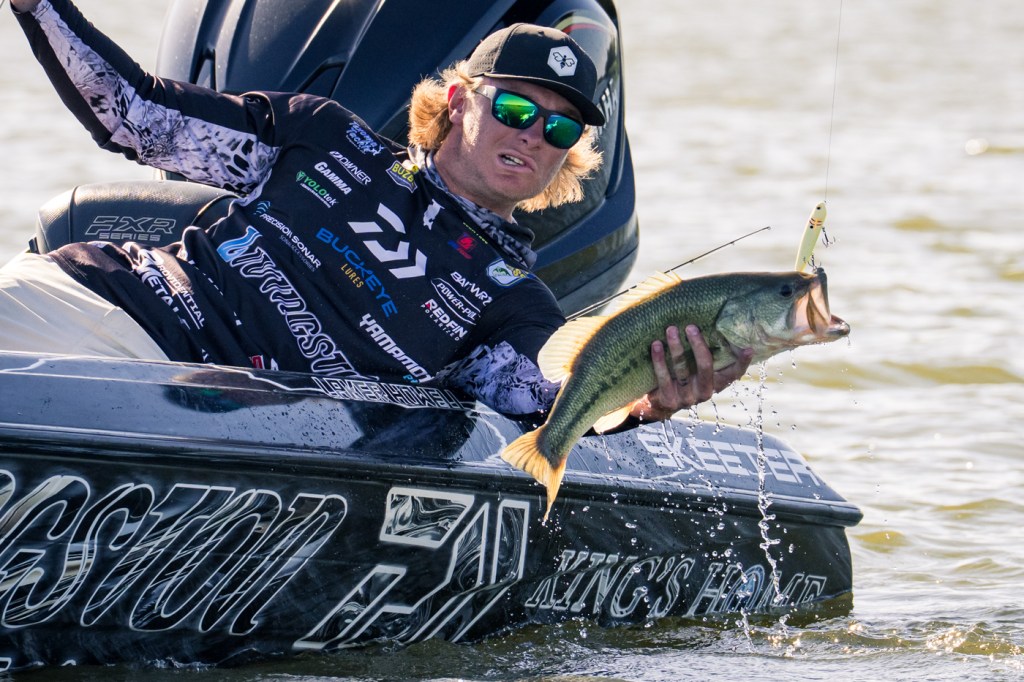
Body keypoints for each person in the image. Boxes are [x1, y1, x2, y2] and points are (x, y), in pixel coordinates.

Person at [2, 0, 752, 424]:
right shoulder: (324, 137)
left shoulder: (516, 307)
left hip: (222, 418)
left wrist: (648, 403)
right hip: (99, 308)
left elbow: (554, 410)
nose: (534, 135)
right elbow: (136, 116)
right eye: (517, 108)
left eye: (560, 129)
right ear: (458, 101)